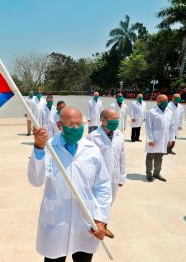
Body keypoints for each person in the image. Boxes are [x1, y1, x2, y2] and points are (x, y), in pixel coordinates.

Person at [28, 106, 112, 262]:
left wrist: (101, 219)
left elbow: (103, 187)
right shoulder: (49, 148)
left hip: (85, 221)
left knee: (83, 258)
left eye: (80, 124)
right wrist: (39, 148)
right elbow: (36, 180)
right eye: (72, 125)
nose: (77, 128)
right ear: (59, 126)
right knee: (54, 258)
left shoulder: (92, 150)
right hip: (57, 219)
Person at [87, 108, 126, 239]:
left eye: (117, 119)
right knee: (96, 201)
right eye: (112, 119)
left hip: (114, 175)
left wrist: (122, 177)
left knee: (110, 202)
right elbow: (87, 160)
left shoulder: (119, 135)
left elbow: (122, 156)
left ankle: (104, 225)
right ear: (103, 120)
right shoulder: (92, 137)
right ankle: (93, 224)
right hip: (97, 178)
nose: (115, 122)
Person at [145, 94, 176, 182]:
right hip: (154, 139)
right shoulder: (151, 112)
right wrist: (150, 140)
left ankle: (157, 173)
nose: (166, 101)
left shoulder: (169, 112)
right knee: (150, 156)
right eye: (163, 100)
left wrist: (170, 139)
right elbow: (148, 127)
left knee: (159, 157)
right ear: (158, 101)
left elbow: (172, 126)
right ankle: (149, 174)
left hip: (164, 139)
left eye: (167, 99)